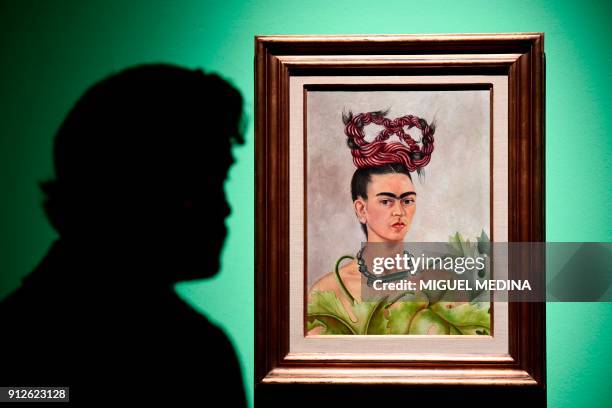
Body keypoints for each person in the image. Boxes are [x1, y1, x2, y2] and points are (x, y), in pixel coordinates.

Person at [0, 64, 247, 405]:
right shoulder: (193, 355)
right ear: (132, 187)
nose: (223, 208)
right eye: (203, 183)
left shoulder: (17, 335)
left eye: (219, 181)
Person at [307, 110, 490, 336]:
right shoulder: (329, 292)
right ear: (361, 209)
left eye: (407, 200)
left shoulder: (442, 284)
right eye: (386, 201)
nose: (399, 211)